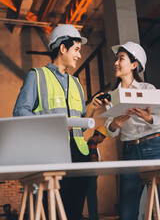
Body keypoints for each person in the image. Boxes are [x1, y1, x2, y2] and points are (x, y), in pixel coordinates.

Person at [13, 24, 105, 220]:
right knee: (51, 212)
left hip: (79, 155)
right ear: (62, 48)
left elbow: (80, 121)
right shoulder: (37, 76)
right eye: (76, 49)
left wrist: (93, 108)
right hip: (51, 154)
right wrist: (51, 124)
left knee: (73, 213)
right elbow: (20, 112)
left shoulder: (77, 83)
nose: (79, 55)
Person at [104, 41, 160, 220]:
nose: (116, 63)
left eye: (121, 59)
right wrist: (115, 125)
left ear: (134, 65)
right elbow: (110, 130)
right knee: (127, 209)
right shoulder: (113, 96)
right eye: (116, 59)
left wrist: (148, 118)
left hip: (154, 147)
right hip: (130, 150)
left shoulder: (148, 89)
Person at [87, 126, 108, 220]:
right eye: (103, 138)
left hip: (90, 174)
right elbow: (93, 160)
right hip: (90, 175)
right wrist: (99, 163)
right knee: (92, 199)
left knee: (92, 197)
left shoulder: (90, 142)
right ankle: (94, 218)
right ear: (99, 135)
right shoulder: (92, 143)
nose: (103, 140)